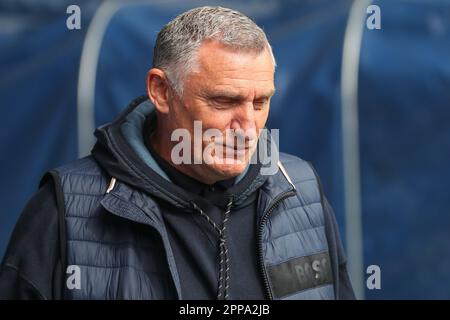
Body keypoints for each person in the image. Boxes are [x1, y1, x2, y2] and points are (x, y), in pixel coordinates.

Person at [0, 6, 355, 300]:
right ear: (161, 91)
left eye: (260, 102)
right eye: (223, 101)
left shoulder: (300, 190)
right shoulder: (64, 210)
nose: (248, 127)